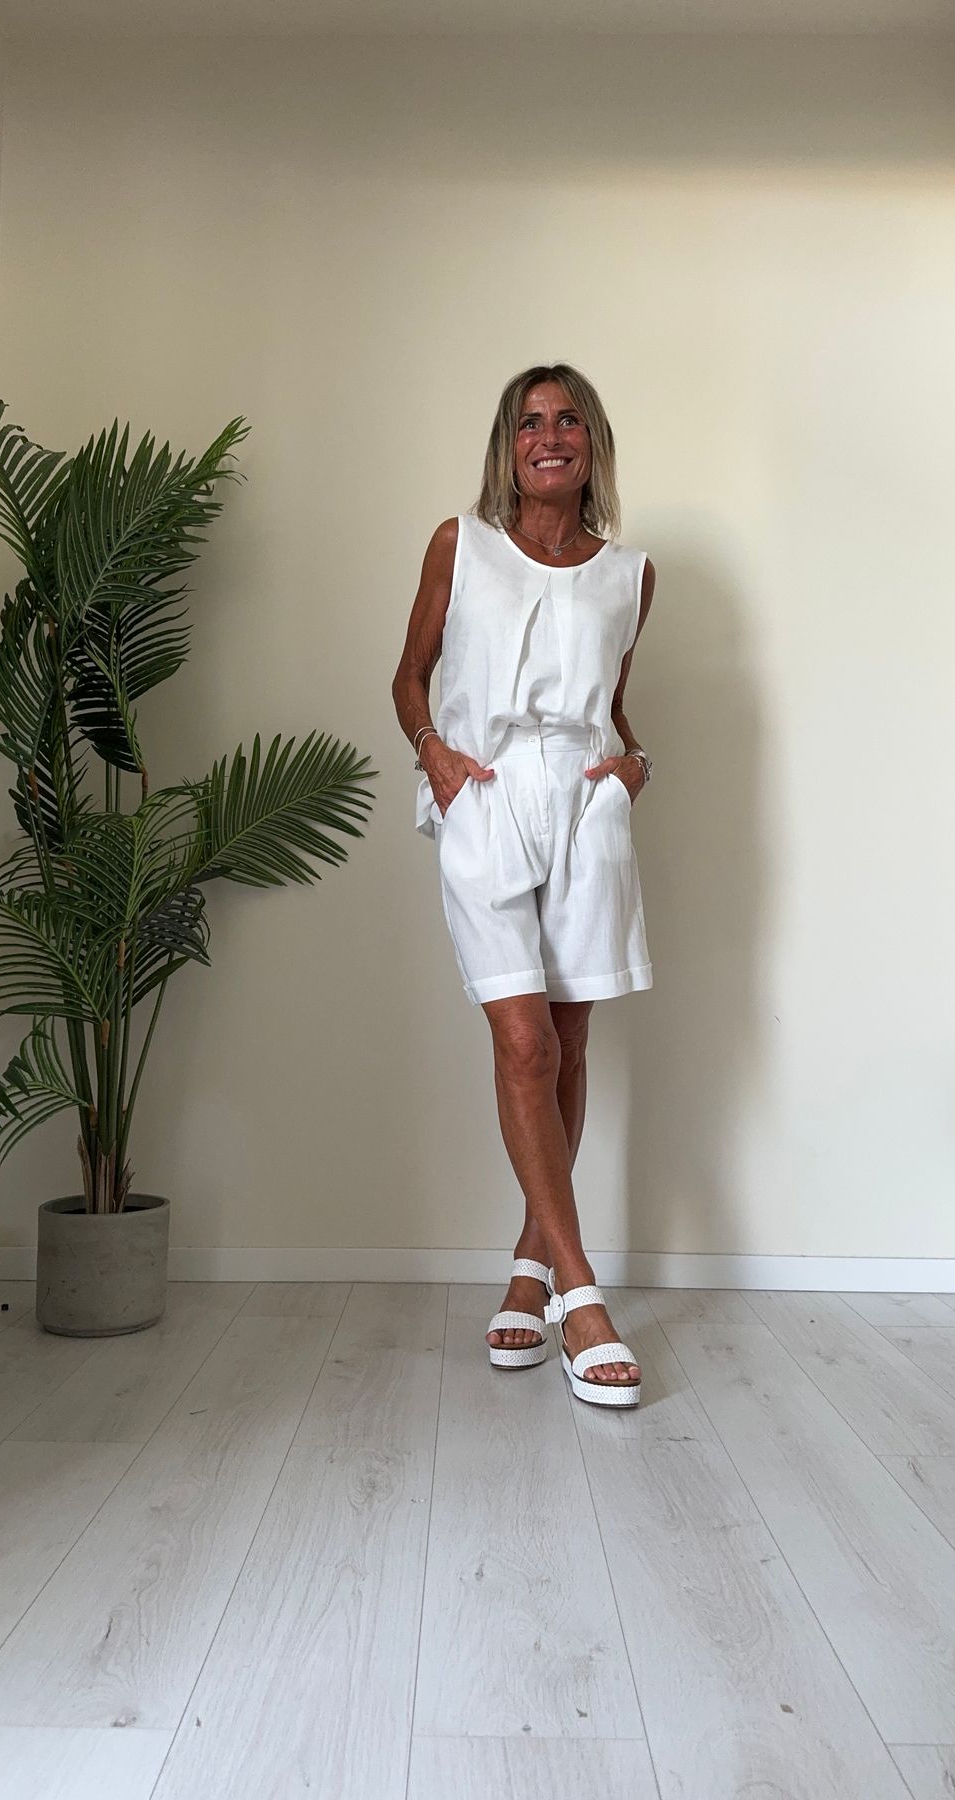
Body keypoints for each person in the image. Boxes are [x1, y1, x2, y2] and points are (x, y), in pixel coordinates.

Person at [391, 363, 655, 1408]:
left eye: (568, 420)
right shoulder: (459, 545)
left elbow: (612, 703)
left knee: (569, 1045)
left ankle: (527, 1267)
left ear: (592, 443)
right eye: (530, 422)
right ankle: (581, 1296)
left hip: (586, 804)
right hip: (486, 792)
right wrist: (433, 754)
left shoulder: (630, 574)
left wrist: (633, 767)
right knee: (523, 1043)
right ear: (508, 445)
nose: (550, 436)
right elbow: (409, 673)